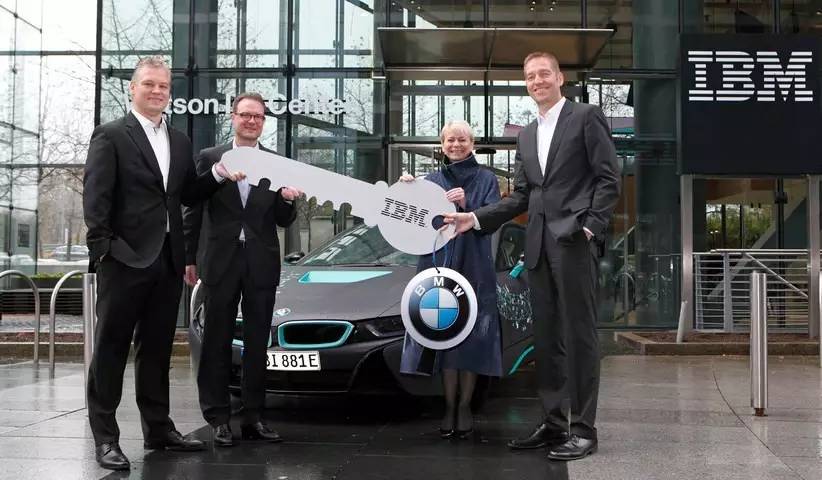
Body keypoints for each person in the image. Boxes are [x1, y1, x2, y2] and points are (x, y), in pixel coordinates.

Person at [444, 52, 620, 460]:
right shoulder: (525, 135)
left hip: (574, 242)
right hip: (538, 245)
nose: (537, 81)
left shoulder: (585, 117)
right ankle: (554, 422)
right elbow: (522, 195)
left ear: (560, 77)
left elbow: (608, 178)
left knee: (579, 337)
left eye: (544, 74)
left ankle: (584, 429)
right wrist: (475, 217)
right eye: (530, 76)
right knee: (546, 339)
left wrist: (590, 227)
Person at [83, 56, 243, 471]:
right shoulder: (111, 135)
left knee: (156, 350)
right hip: (124, 260)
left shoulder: (179, 140)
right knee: (111, 349)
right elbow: (96, 199)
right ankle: (106, 438)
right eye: (149, 84)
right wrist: (105, 251)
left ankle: (158, 429)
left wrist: (219, 174)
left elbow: (188, 194)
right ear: (132, 88)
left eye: (164, 86)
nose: (157, 91)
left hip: (167, 261)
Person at [182, 92, 301, 447]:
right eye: (245, 115)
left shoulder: (277, 163)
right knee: (216, 341)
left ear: (264, 122)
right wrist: (188, 256)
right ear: (233, 117)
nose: (251, 121)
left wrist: (287, 201)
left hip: (261, 263)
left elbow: (283, 219)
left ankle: (254, 417)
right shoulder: (211, 158)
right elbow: (193, 207)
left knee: (257, 343)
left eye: (258, 117)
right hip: (219, 261)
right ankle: (218, 418)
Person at [399, 120, 503, 440]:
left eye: (462, 139)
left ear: (472, 143)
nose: (456, 145)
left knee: (470, 338)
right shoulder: (430, 180)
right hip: (437, 262)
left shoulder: (487, 178)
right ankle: (448, 406)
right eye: (450, 140)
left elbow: (493, 218)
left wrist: (466, 206)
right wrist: (405, 189)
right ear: (442, 144)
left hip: (473, 264)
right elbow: (415, 220)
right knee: (444, 335)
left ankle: (465, 406)